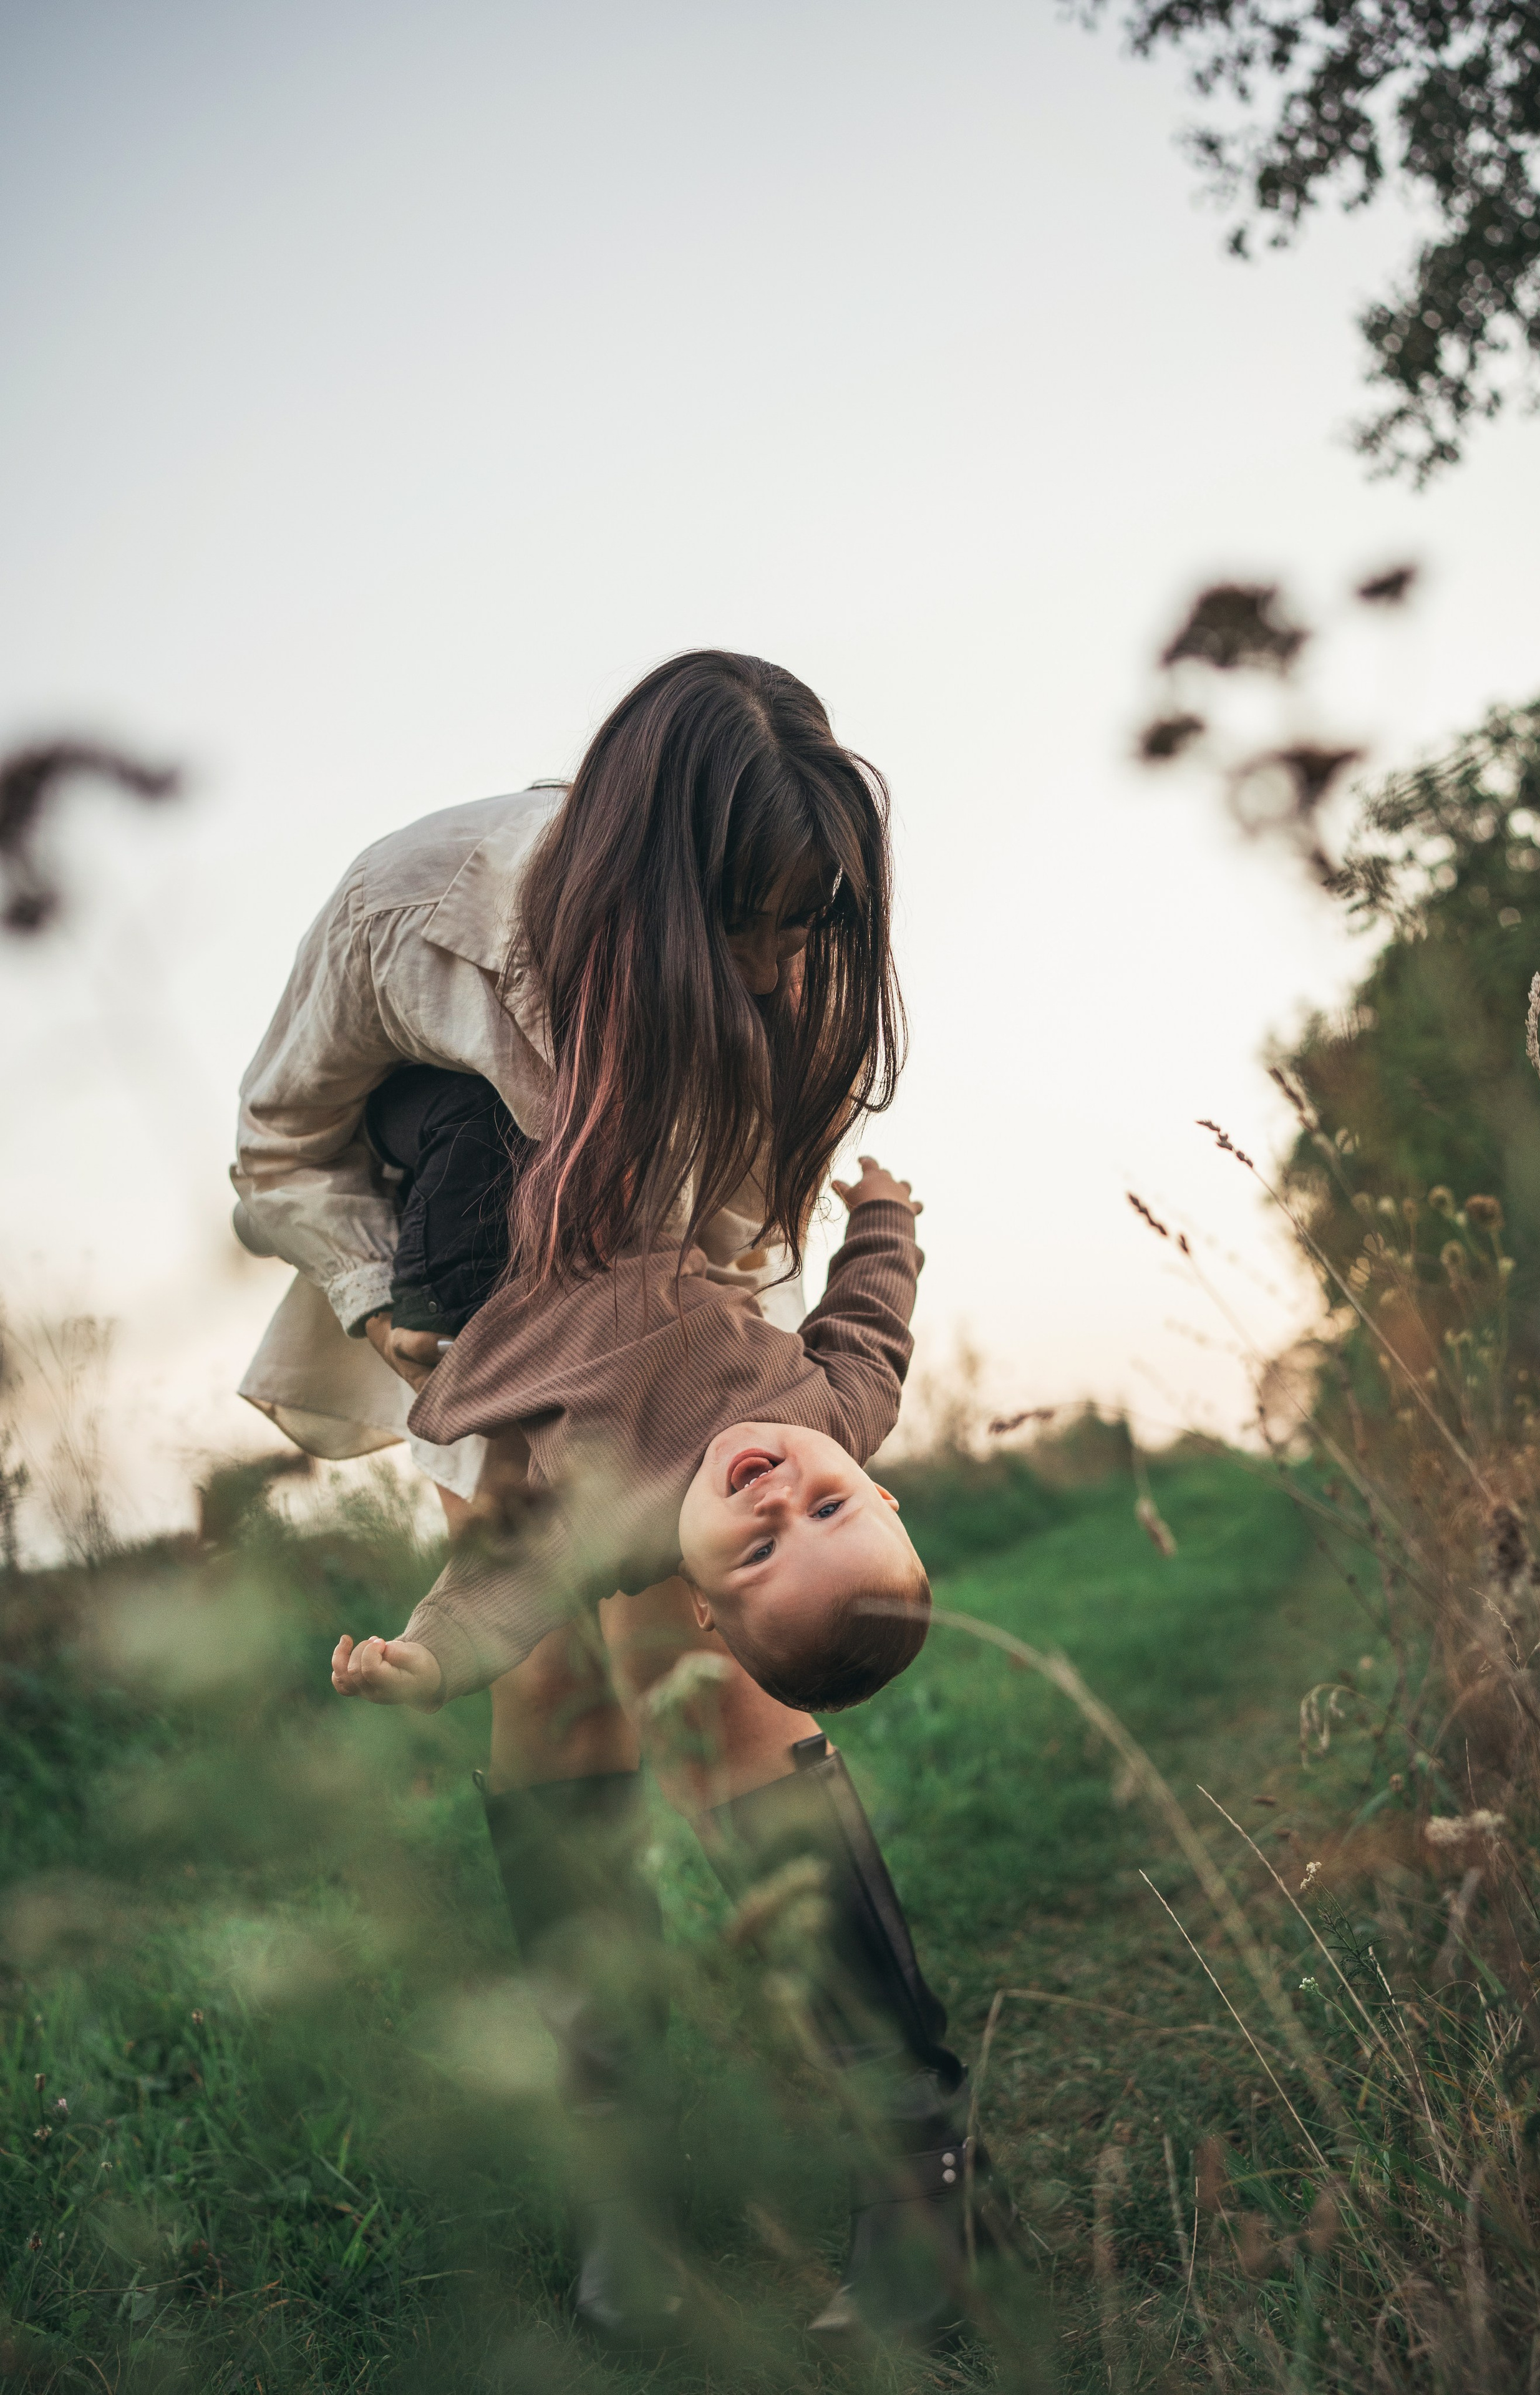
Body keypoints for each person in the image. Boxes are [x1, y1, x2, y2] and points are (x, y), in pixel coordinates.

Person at [230, 653, 1005, 2341]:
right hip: (482, 1336)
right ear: (650, 875)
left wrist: (726, 1473)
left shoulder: (794, 976)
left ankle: (914, 2157)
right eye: (751, 926)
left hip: (684, 1365)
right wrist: (385, 1307)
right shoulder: (416, 906)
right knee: (555, 1694)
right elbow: (277, 1146)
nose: (781, 971)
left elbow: (798, 1270)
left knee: (710, 1694)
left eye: (813, 931)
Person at [327, 1155, 932, 1716]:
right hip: (622, 1205)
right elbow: (875, 1308)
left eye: (760, 1551)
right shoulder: (844, 1409)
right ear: (879, 1494)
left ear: (702, 1598)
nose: (777, 1503)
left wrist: (433, 1659)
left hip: (487, 1274)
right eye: (828, 1508)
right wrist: (885, 1212)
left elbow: (505, 1592)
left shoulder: (614, 1528)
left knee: (466, 1121)